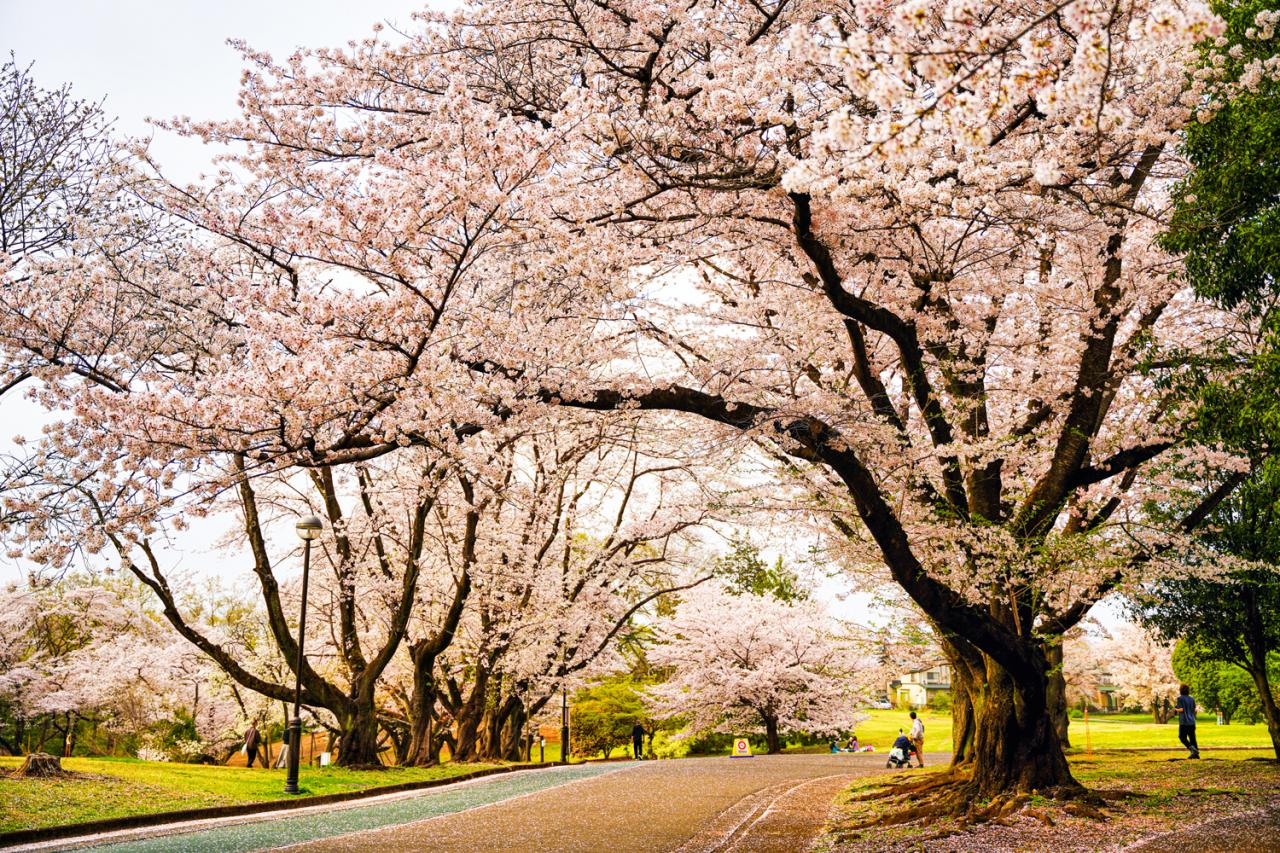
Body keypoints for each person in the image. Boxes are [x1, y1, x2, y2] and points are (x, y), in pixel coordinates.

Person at [1176, 684, 1200, 759]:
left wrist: (1175, 709)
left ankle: (1192, 749)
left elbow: (1181, 709)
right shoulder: (1192, 698)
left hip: (1184, 721)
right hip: (1192, 721)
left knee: (1182, 737)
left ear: (1181, 690)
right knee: (1192, 738)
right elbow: (1193, 709)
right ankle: (1196, 755)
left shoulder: (1180, 698)